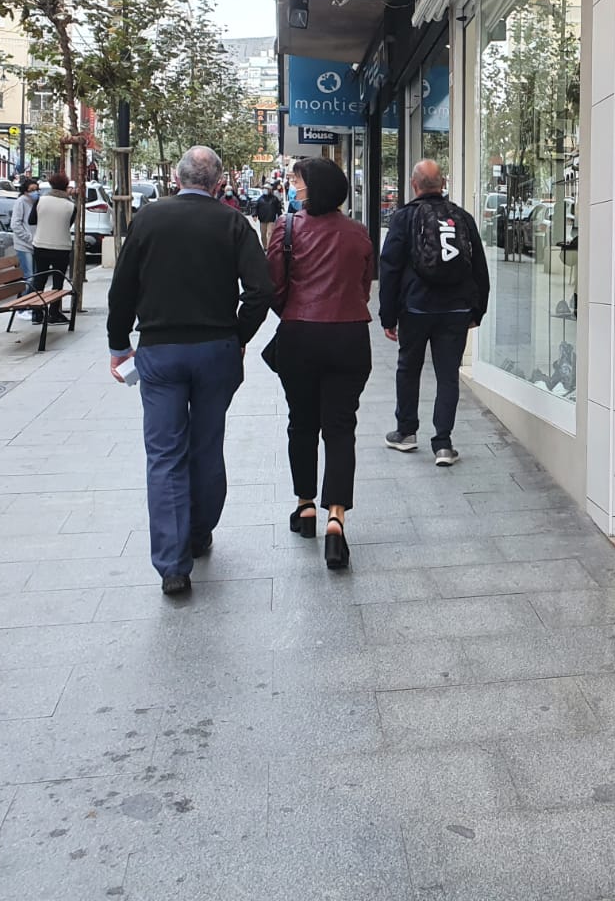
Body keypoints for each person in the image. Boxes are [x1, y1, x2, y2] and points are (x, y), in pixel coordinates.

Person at [108, 146, 273, 596]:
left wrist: (119, 345)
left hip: (160, 351)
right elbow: (261, 290)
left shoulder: (147, 218)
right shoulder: (233, 223)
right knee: (206, 444)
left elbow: (122, 288)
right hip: (216, 350)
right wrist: (239, 335)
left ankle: (172, 565)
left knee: (164, 454)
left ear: (177, 179)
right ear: (218, 184)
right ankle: (199, 532)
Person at [266, 157, 372, 569]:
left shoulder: (287, 228)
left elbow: (275, 285)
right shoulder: (359, 233)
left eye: (298, 181)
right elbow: (363, 287)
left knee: (302, 423)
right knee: (341, 427)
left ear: (313, 187)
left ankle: (305, 505)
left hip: (300, 336)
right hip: (350, 335)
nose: (294, 186)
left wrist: (295, 314)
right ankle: (336, 519)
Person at [379, 159, 489, 467]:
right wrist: (477, 310)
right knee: (447, 375)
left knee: (408, 368)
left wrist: (388, 316)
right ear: (443, 184)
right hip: (456, 309)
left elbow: (389, 268)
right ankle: (443, 444)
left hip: (415, 308)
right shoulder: (462, 217)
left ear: (414, 185)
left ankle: (405, 432)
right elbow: (479, 267)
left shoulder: (404, 218)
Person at [30, 172, 75, 325]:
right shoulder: (71, 206)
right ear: (65, 186)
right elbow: (68, 225)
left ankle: (36, 313)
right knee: (58, 281)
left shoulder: (41, 200)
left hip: (40, 244)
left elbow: (31, 220)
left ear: (51, 185)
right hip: (62, 247)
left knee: (39, 278)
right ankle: (54, 313)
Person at [9, 175, 38, 289]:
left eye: (36, 189)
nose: (35, 192)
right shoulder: (21, 202)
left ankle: (30, 299)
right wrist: (28, 237)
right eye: (31, 190)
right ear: (25, 191)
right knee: (29, 278)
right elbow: (15, 224)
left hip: (35, 245)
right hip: (24, 245)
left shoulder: (36, 203)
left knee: (35, 277)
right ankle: (24, 300)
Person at [253, 183, 283, 248]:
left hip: (271, 219)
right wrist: (254, 215)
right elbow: (256, 207)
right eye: (264, 188)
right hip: (262, 220)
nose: (265, 190)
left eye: (266, 189)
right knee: (263, 234)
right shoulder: (260, 199)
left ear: (270, 190)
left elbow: (278, 208)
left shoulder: (274, 199)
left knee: (270, 233)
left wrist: (280, 217)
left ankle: (269, 247)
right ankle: (265, 247)